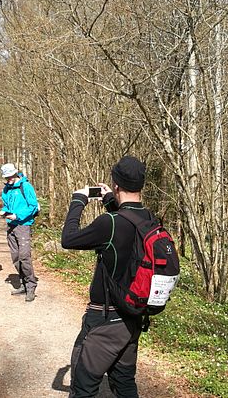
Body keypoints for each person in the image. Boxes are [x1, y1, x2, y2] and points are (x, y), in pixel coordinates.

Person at [60, 156, 150, 398]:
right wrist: (111, 200)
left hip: (103, 319)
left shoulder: (109, 223)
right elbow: (125, 229)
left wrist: (78, 200)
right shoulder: (149, 220)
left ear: (117, 184)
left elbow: (68, 239)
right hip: (132, 317)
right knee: (124, 383)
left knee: (83, 387)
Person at [0, 162, 39, 302]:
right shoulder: (6, 189)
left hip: (23, 225)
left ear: (15, 173)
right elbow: (6, 204)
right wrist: (5, 211)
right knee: (15, 257)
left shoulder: (26, 186)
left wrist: (17, 215)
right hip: (11, 226)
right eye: (6, 177)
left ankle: (30, 287)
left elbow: (33, 206)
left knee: (24, 257)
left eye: (10, 176)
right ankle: (23, 283)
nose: (9, 179)